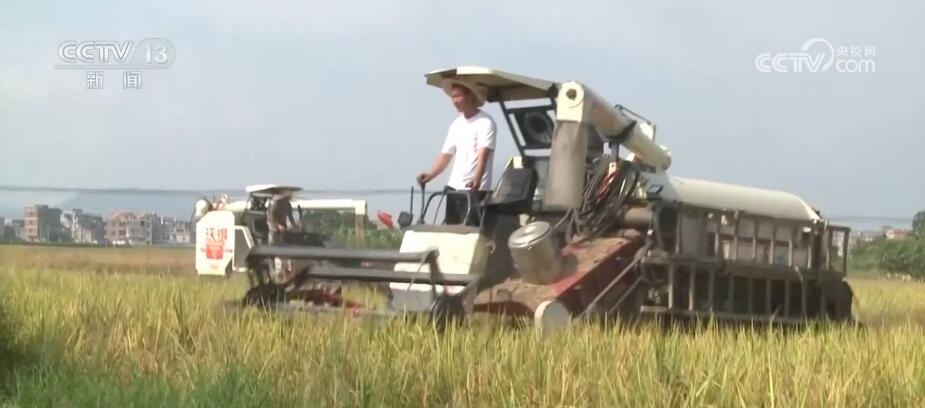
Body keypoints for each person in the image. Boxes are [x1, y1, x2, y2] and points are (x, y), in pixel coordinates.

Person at [417, 80, 497, 226]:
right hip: (454, 188)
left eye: (458, 96)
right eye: (452, 97)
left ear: (470, 96)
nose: (454, 101)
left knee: (470, 230)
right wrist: (431, 175)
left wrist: (477, 178)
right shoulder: (456, 125)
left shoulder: (485, 122)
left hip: (475, 190)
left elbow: (483, 154)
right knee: (451, 229)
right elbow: (446, 155)